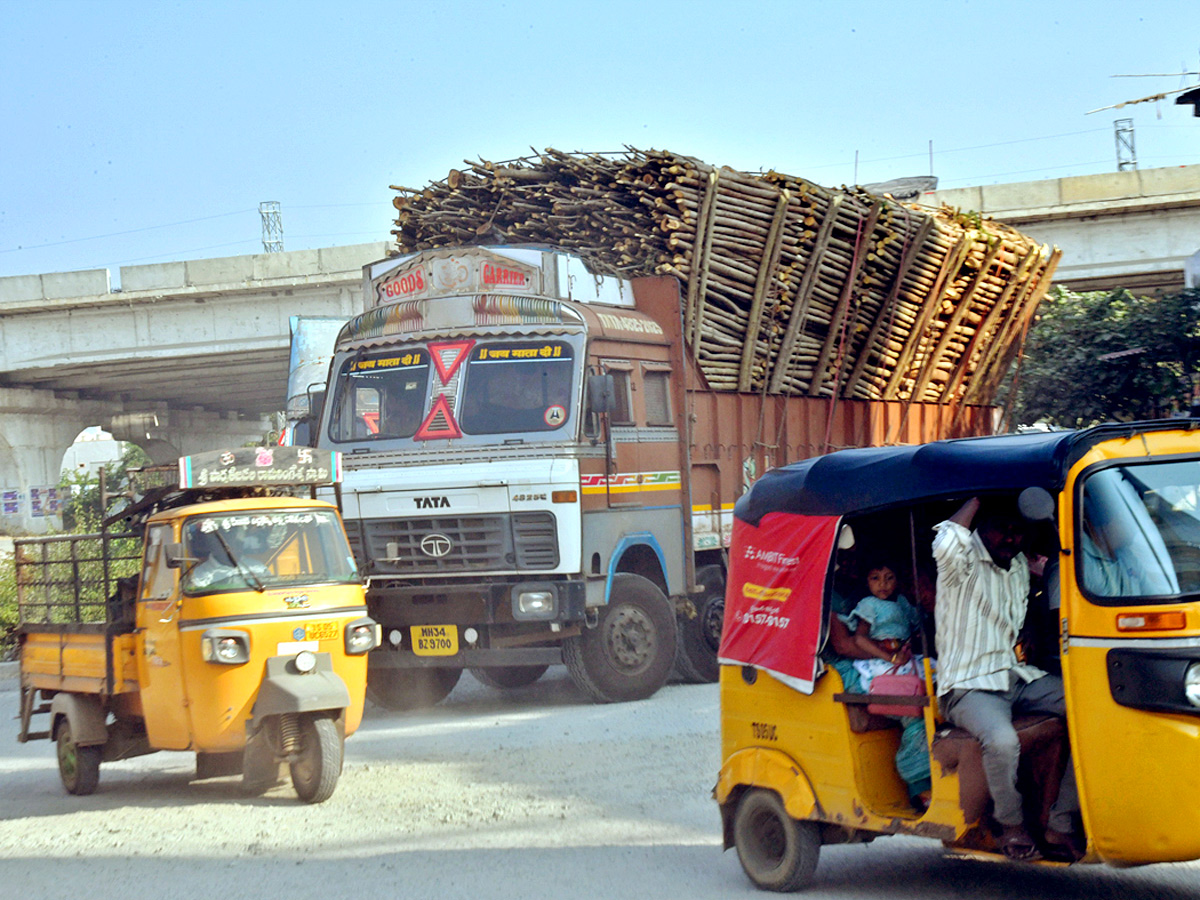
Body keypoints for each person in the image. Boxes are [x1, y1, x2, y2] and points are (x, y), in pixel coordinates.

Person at [933, 496, 1082, 861]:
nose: (1010, 539)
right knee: (1001, 741)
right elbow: (947, 538)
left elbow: (1030, 598)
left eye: (1017, 532)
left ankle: (1061, 821)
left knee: (1094, 709)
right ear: (982, 527)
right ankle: (1009, 823)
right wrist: (981, 495)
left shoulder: (1017, 565)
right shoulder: (961, 561)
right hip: (969, 685)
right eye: (1002, 529)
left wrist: (1029, 625)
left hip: (1015, 676)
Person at [846, 562, 931, 810]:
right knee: (914, 718)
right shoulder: (868, 605)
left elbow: (918, 627)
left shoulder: (903, 603)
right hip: (882, 666)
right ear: (866, 581)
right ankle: (919, 787)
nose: (882, 585)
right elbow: (860, 638)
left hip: (905, 662)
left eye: (888, 578)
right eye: (875, 578)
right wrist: (889, 657)